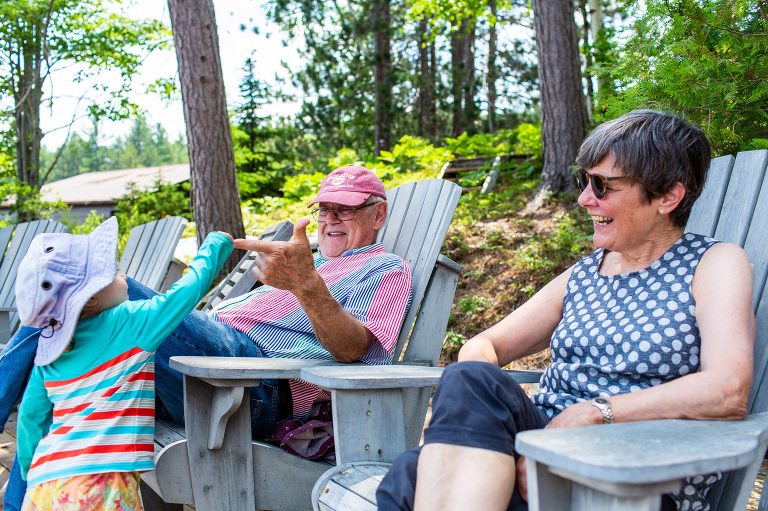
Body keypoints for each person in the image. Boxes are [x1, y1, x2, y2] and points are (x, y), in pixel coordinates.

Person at [376, 110, 755, 511]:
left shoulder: (713, 263)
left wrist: (596, 413)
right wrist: (517, 443)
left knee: (410, 480)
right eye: (583, 180)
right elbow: (484, 346)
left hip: (631, 475)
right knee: (433, 439)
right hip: (541, 454)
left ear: (668, 197)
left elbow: (727, 389)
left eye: (602, 185)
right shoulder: (587, 271)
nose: (583, 198)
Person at [1, 164, 413, 510]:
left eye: (344, 210)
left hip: (250, 383)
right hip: (196, 366)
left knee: (80, 295)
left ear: (378, 215)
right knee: (64, 368)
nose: (329, 220)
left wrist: (308, 285)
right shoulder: (302, 260)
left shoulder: (386, 269)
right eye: (324, 209)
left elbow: (354, 349)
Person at [14, 216, 233, 510]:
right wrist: (215, 245)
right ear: (90, 299)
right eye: (115, 271)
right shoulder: (131, 323)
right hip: (100, 487)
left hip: (44, 487)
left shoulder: (50, 350)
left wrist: (30, 470)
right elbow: (185, 293)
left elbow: (31, 419)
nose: (124, 276)